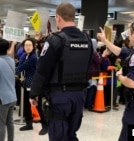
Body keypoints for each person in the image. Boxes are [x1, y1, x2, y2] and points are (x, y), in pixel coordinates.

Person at [29, 2, 93, 141]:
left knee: (59, 136)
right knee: (71, 135)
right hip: (79, 95)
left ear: (58, 18)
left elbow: (42, 70)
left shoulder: (55, 40)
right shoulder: (87, 40)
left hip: (60, 97)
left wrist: (34, 93)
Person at [15, 38, 48, 135]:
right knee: (26, 104)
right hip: (27, 84)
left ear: (33, 46)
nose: (28, 47)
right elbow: (19, 65)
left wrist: (9, 69)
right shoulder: (25, 55)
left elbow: (21, 68)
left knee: (37, 106)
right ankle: (29, 124)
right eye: (26, 45)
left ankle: (45, 126)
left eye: (30, 45)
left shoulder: (33, 57)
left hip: (35, 85)